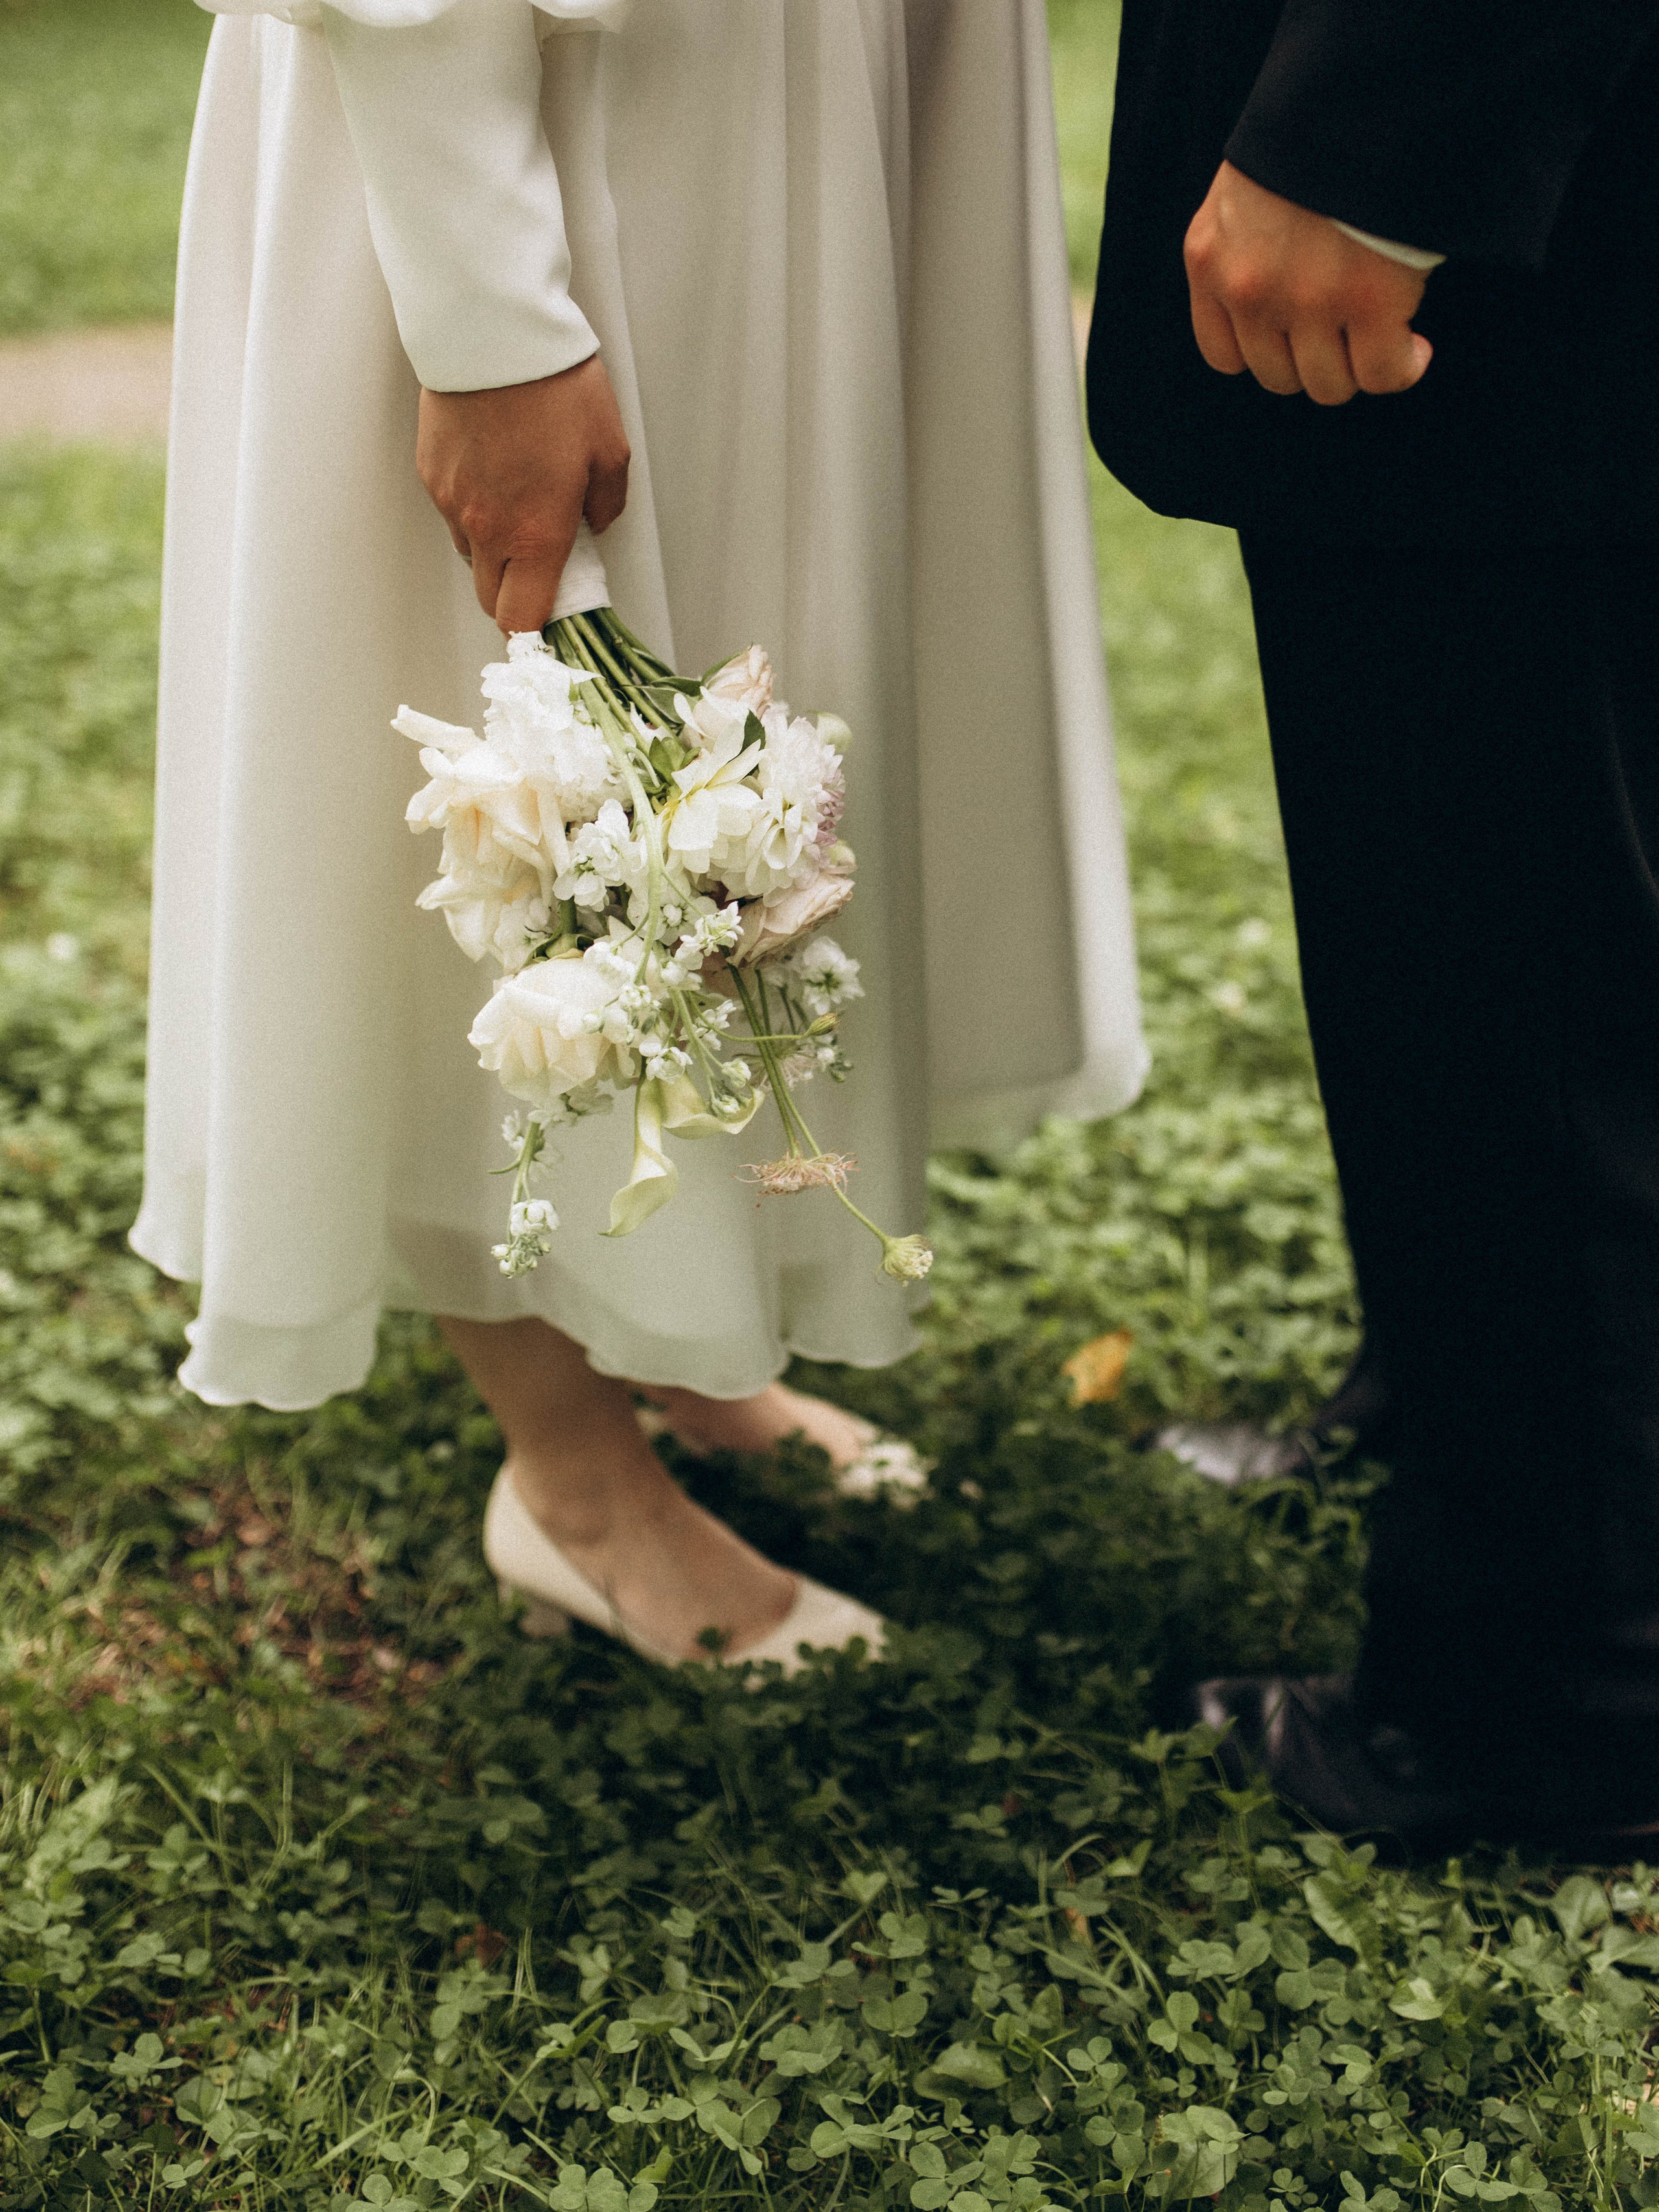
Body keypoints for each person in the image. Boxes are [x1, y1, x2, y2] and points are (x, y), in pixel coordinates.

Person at [132, 0, 1146, 1671]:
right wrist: (488, 314)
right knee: (536, 770)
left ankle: (683, 1338)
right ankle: (571, 1473)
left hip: (798, 105)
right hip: (555, 129)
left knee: (745, 744)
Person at [1091, 0, 1659, 1845]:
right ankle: (1467, 1394)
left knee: (1504, 926)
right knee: (1481, 880)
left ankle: (1555, 1697)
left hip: (1486, 193)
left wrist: (1383, 128)